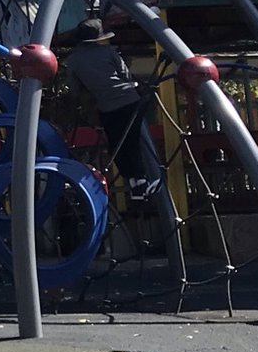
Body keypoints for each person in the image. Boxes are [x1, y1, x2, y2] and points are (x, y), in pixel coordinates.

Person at [58, 17, 179, 227]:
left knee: (118, 143)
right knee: (138, 140)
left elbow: (75, 89)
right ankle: (150, 178)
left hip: (107, 106)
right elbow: (124, 75)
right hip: (129, 100)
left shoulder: (74, 60)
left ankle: (134, 181)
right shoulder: (108, 52)